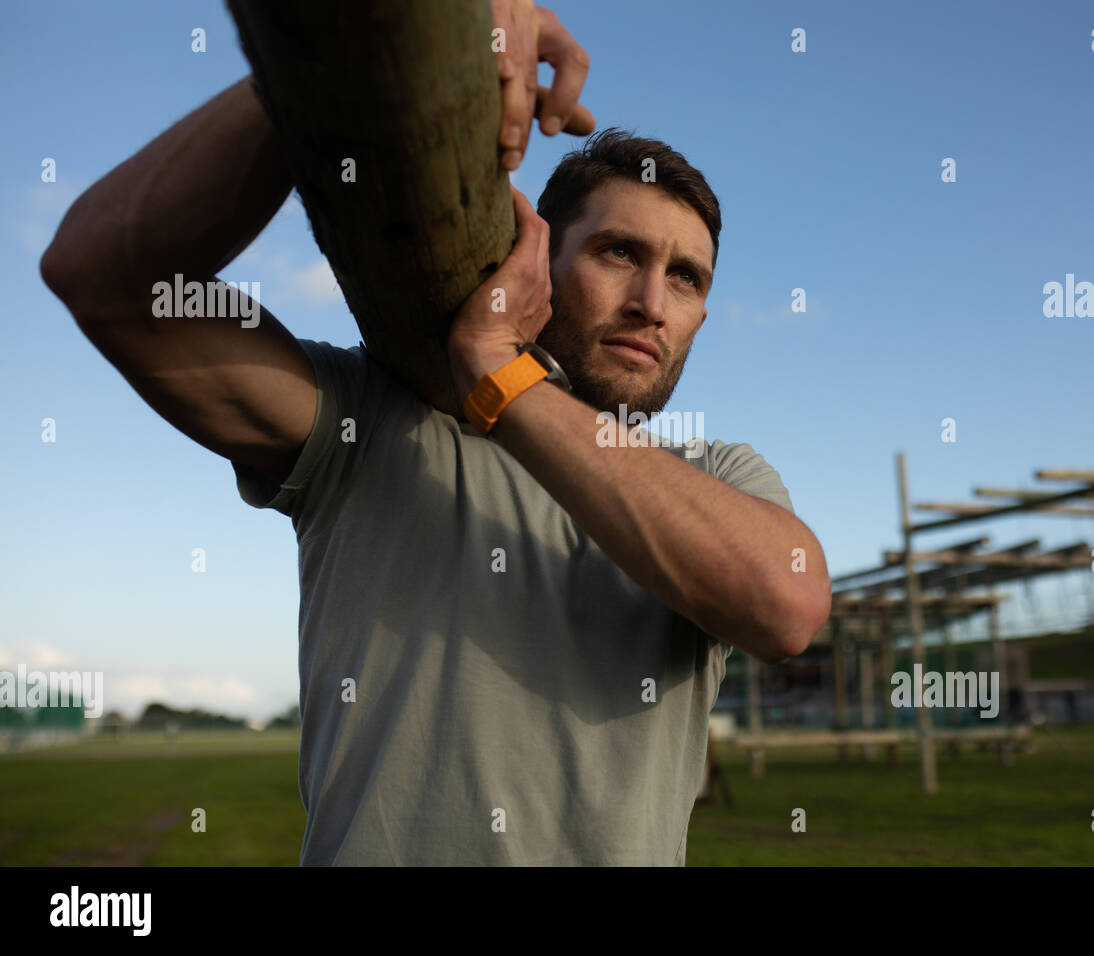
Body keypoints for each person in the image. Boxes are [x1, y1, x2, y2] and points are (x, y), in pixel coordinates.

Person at [40, 0, 830, 865]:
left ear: (702, 315)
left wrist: (503, 379)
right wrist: (323, 57)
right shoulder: (372, 417)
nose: (651, 300)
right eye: (616, 253)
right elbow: (103, 276)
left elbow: (784, 608)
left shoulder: (721, 473)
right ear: (538, 258)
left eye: (684, 278)